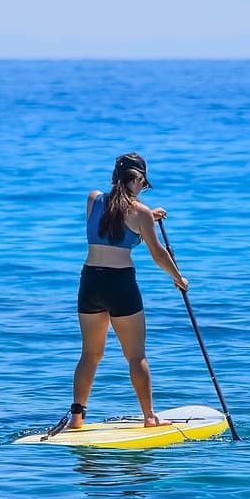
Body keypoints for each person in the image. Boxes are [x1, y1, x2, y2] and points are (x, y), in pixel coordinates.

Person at [69, 153, 189, 430]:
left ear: (115, 177)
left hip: (90, 282)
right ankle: (149, 416)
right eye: (143, 184)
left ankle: (76, 417)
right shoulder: (141, 213)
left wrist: (147, 214)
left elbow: (114, 216)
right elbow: (158, 254)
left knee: (90, 355)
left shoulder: (93, 199)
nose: (142, 188)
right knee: (136, 356)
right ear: (137, 179)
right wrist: (178, 277)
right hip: (120, 284)